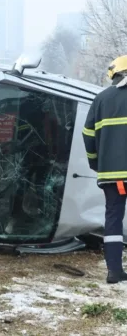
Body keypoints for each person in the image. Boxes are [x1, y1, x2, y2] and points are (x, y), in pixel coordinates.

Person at [83, 55, 127, 284]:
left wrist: (96, 163)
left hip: (112, 176)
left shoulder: (101, 99)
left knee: (113, 219)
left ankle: (114, 271)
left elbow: (88, 135)